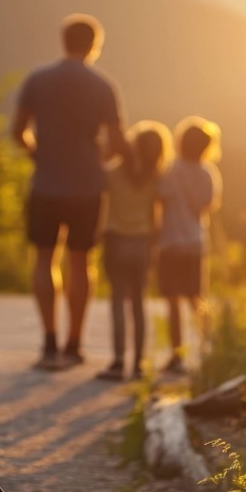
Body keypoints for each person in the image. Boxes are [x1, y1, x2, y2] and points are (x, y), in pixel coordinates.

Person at [11, 13, 131, 370]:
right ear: (95, 45)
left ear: (64, 41)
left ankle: (49, 342)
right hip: (88, 187)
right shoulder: (103, 86)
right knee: (81, 262)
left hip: (45, 184)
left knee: (44, 259)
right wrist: (98, 160)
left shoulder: (38, 80)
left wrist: (37, 153)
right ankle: (74, 344)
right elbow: (118, 143)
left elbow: (18, 131)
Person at [96, 120, 172, 381]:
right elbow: (157, 217)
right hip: (142, 242)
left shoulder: (114, 171)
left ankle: (118, 361)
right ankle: (138, 363)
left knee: (117, 300)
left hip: (116, 240)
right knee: (139, 302)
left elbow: (100, 198)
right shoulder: (156, 178)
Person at [157, 116, 222, 375]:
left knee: (173, 302)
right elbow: (206, 206)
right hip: (195, 242)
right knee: (197, 297)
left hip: (170, 242)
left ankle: (177, 355)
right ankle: (211, 347)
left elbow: (159, 200)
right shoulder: (208, 173)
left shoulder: (169, 170)